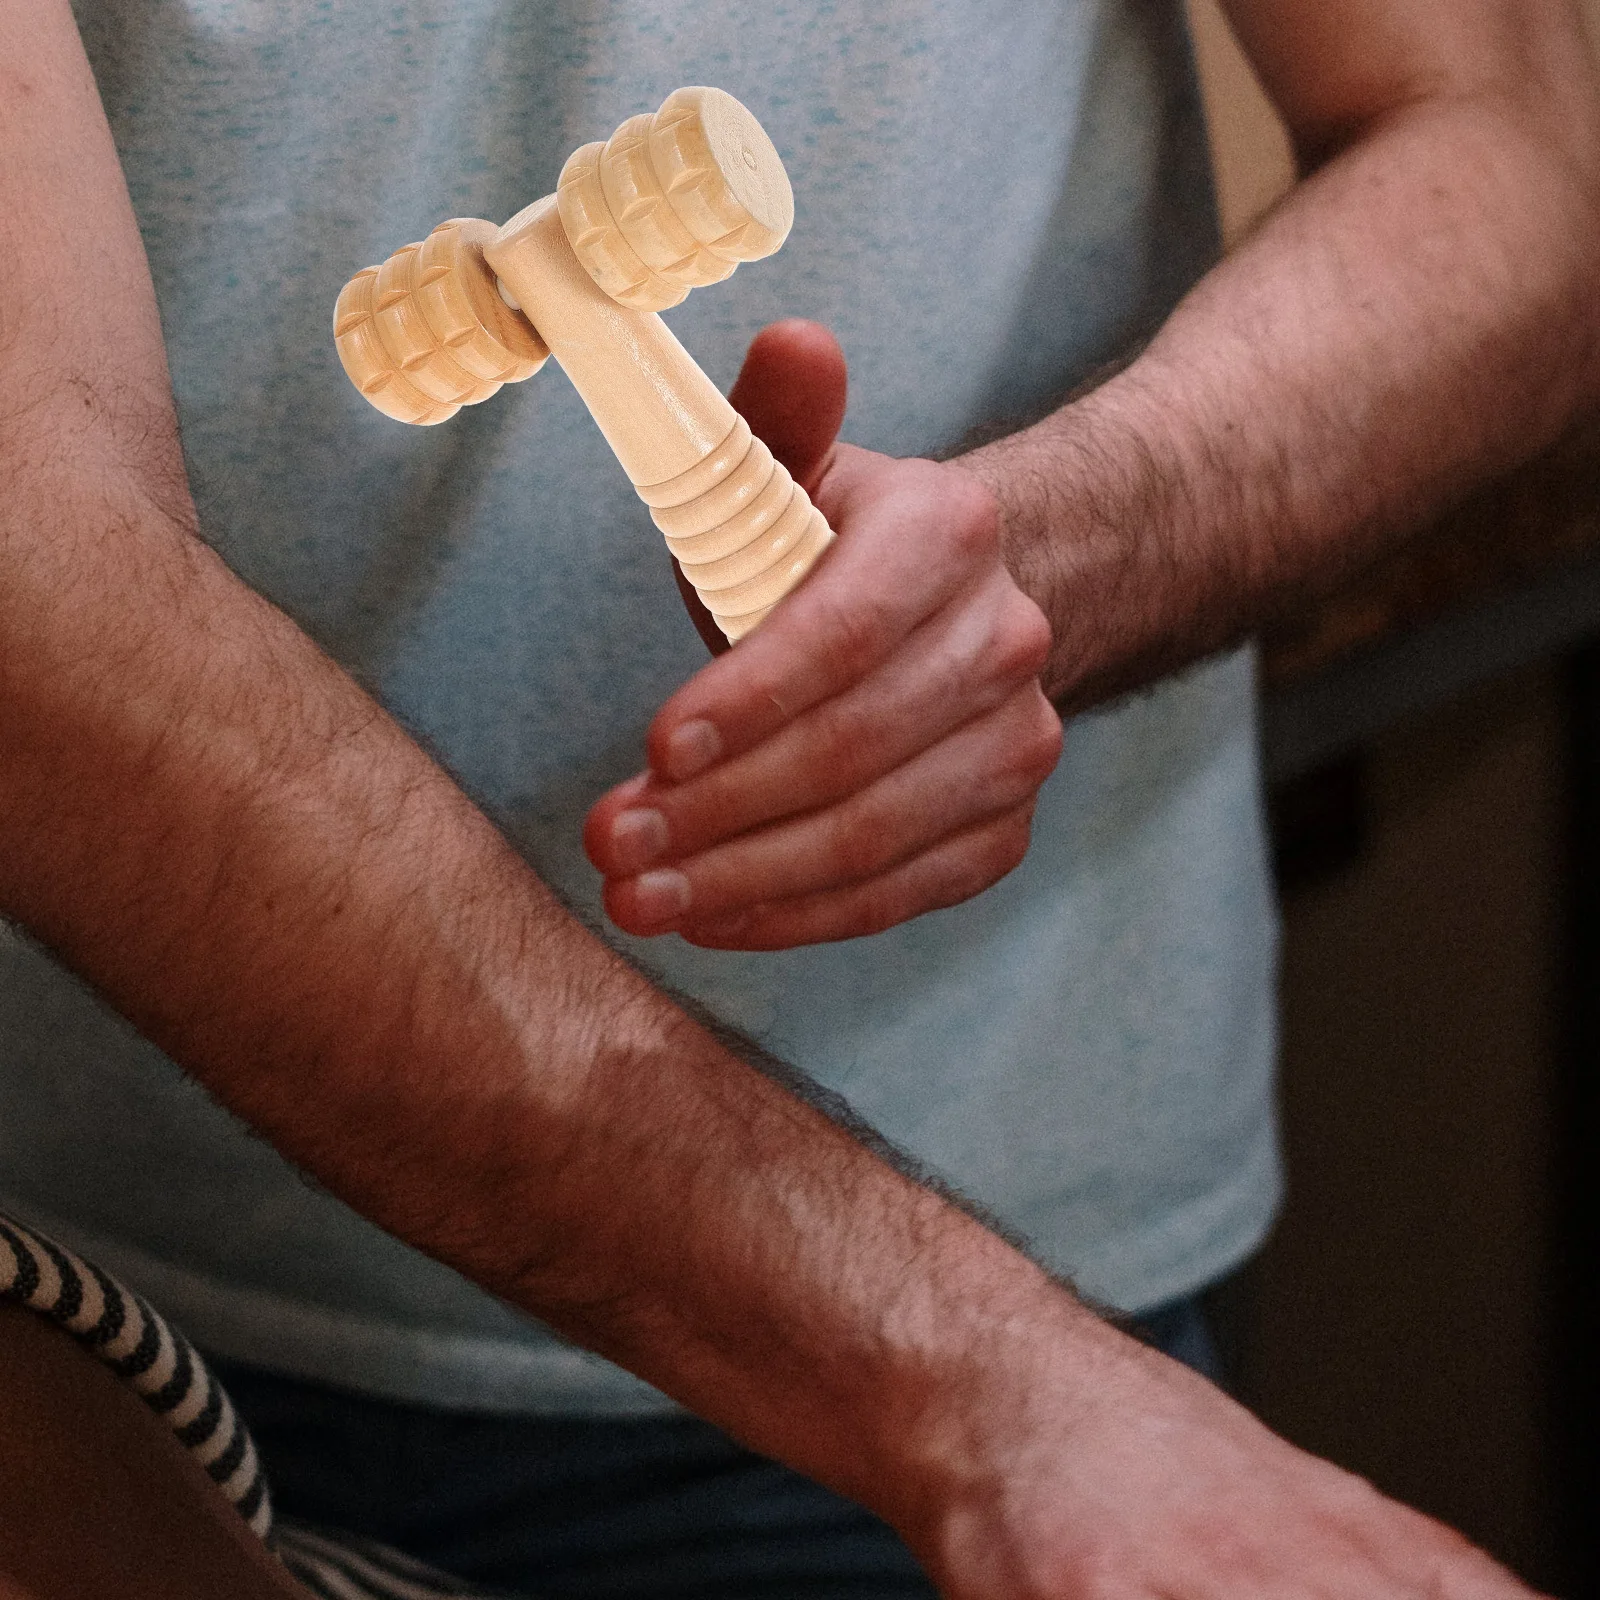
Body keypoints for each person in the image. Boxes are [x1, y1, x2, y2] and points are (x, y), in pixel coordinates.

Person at [0, 0, 1593, 1594]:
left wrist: (1054, 558)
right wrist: (970, 1376)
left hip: (1023, 1242)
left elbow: (1515, 148)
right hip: (109, 1338)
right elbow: (33, 561)